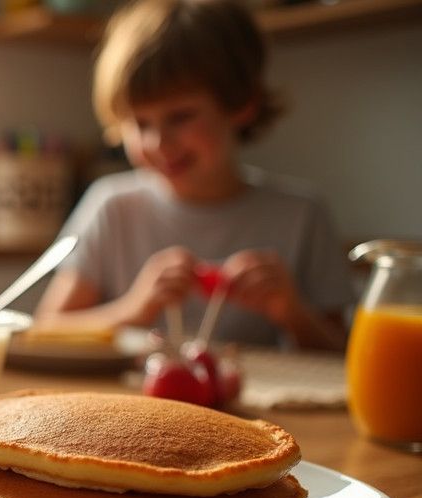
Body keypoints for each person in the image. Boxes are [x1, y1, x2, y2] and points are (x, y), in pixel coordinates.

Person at [34, 0, 350, 350]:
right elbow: (45, 330)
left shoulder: (301, 216)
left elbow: (342, 355)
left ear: (242, 103)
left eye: (180, 117)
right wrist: (134, 308)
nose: (158, 142)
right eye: (140, 123)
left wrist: (292, 312)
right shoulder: (112, 206)